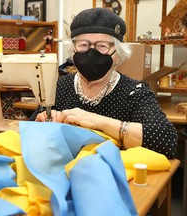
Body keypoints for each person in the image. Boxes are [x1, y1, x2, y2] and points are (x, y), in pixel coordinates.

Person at [29, 8, 178, 159]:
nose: (91, 52)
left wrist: (99, 122)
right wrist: (42, 124)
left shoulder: (135, 92)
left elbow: (167, 141)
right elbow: (29, 134)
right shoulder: (58, 87)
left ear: (118, 54)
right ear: (72, 50)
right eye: (83, 44)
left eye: (102, 46)